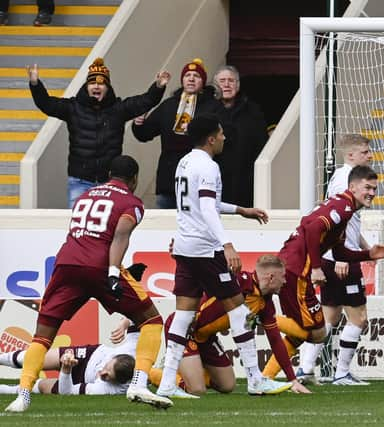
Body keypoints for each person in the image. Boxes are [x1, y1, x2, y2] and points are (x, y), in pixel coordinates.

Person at [4, 155, 172, 412]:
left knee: (42, 337)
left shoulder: (85, 195)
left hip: (66, 264)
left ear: (109, 174)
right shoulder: (131, 202)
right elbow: (121, 233)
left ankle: (23, 395)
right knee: (152, 321)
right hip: (99, 267)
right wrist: (114, 270)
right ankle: (138, 383)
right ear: (135, 179)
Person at [155, 114, 292, 398]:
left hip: (184, 246)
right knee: (239, 310)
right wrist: (226, 244)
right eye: (221, 134)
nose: (224, 138)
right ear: (211, 138)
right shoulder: (209, 166)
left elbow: (206, 202)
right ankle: (256, 379)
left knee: (183, 315)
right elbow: (206, 208)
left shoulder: (185, 162)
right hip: (205, 248)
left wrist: (242, 210)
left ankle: (168, 382)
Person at [261, 165, 384, 383]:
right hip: (297, 269)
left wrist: (368, 254)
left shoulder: (343, 208)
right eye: (367, 187)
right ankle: (258, 316)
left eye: (374, 188)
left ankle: (267, 377)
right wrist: (315, 267)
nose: (371, 193)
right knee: (312, 330)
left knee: (307, 330)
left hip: (291, 265)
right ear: (352, 187)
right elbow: (313, 230)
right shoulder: (344, 208)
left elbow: (339, 250)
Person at [151, 255, 311, 395]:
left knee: (227, 386)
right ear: (270, 277)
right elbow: (204, 280)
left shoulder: (265, 303)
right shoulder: (237, 283)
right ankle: (153, 373)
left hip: (206, 337)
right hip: (186, 331)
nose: (285, 281)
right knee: (197, 390)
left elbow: (275, 340)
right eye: (283, 277)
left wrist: (293, 380)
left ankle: (192, 370)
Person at [28, 58, 170, 207]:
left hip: (110, 182)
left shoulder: (118, 108)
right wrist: (35, 84)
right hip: (79, 181)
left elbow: (145, 101)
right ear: (87, 86)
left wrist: (158, 87)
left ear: (107, 87)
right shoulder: (73, 107)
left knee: (108, 223)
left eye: (101, 83)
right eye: (92, 83)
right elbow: (46, 104)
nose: (96, 86)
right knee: (78, 222)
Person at [296, 134, 375, 386]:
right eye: (364, 152)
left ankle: (306, 367)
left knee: (329, 316)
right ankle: (341, 372)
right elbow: (336, 223)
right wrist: (341, 256)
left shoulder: (342, 178)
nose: (369, 155)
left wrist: (364, 247)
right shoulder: (346, 180)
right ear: (350, 155)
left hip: (336, 255)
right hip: (340, 259)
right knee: (359, 318)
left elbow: (344, 222)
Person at [132, 58, 222, 209]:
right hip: (169, 179)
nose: (191, 79)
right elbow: (145, 134)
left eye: (196, 76)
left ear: (203, 82)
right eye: (187, 75)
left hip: (198, 179)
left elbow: (219, 140)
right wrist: (138, 124)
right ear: (182, 80)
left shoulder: (213, 106)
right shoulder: (169, 105)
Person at [0, 318, 138, 395]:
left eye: (106, 376)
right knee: (33, 359)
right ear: (115, 357)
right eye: (107, 366)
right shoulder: (132, 349)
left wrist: (66, 370)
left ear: (118, 381)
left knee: (42, 386)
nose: (101, 372)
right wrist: (124, 323)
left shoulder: (107, 389)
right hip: (89, 355)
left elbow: (67, 392)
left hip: (81, 379)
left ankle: (7, 390)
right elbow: (138, 315)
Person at [212, 65, 269, 208]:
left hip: (245, 182)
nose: (226, 84)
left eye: (231, 81)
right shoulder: (208, 110)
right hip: (215, 180)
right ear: (215, 86)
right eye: (222, 81)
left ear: (237, 85)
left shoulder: (253, 110)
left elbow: (262, 145)